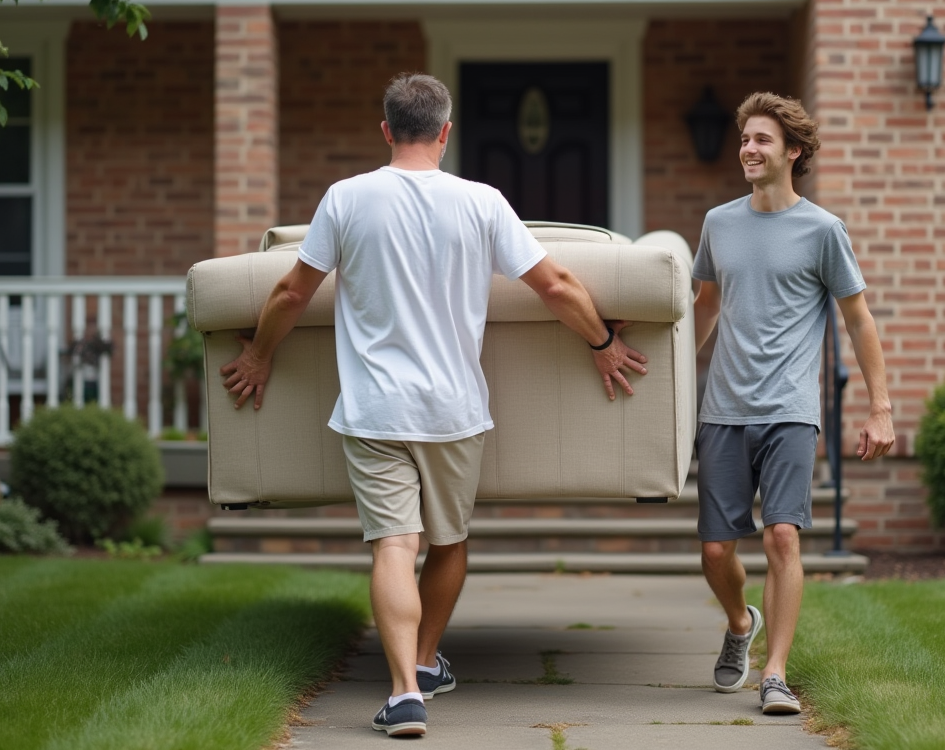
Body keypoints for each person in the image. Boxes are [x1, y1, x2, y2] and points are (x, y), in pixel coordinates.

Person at [218, 73, 648, 738]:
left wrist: (257, 356)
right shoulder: (481, 202)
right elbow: (556, 283)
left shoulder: (346, 198)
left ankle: (403, 693)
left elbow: (288, 295)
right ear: (446, 132)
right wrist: (602, 341)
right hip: (453, 410)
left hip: (374, 409)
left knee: (395, 543)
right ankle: (422, 664)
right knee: (448, 543)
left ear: (386, 129)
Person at [691, 91, 893, 715]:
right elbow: (704, 307)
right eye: (745, 139)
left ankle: (774, 674)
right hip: (724, 408)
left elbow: (858, 320)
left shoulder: (823, 230)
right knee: (716, 551)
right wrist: (668, 383)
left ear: (793, 152)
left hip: (790, 409)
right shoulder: (719, 223)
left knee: (783, 535)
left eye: (762, 141)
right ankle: (738, 623)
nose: (748, 149)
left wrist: (880, 406)